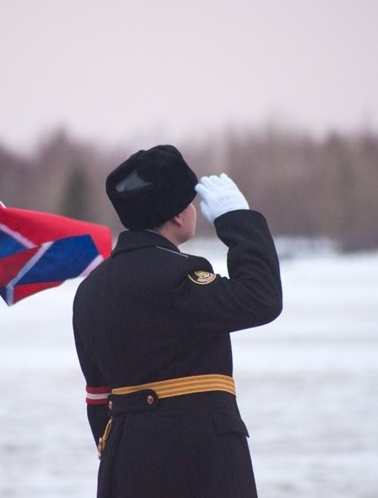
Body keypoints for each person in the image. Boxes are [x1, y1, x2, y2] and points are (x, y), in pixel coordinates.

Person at [72, 144, 283, 498]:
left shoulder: (90, 290)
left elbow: (98, 397)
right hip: (199, 464)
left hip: (125, 461)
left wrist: (125, 452)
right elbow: (261, 298)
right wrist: (238, 222)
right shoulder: (178, 276)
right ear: (178, 216)